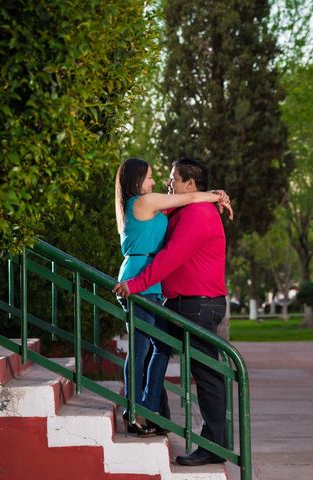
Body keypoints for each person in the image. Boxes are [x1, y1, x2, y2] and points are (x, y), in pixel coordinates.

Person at [113, 156, 231, 466]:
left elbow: (171, 257)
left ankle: (213, 445)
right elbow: (156, 210)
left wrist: (137, 283)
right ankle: (150, 413)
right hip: (181, 302)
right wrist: (217, 193)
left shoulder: (198, 213)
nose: (168, 184)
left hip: (199, 304)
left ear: (189, 184)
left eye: (173, 178)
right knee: (156, 348)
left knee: (205, 374)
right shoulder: (183, 208)